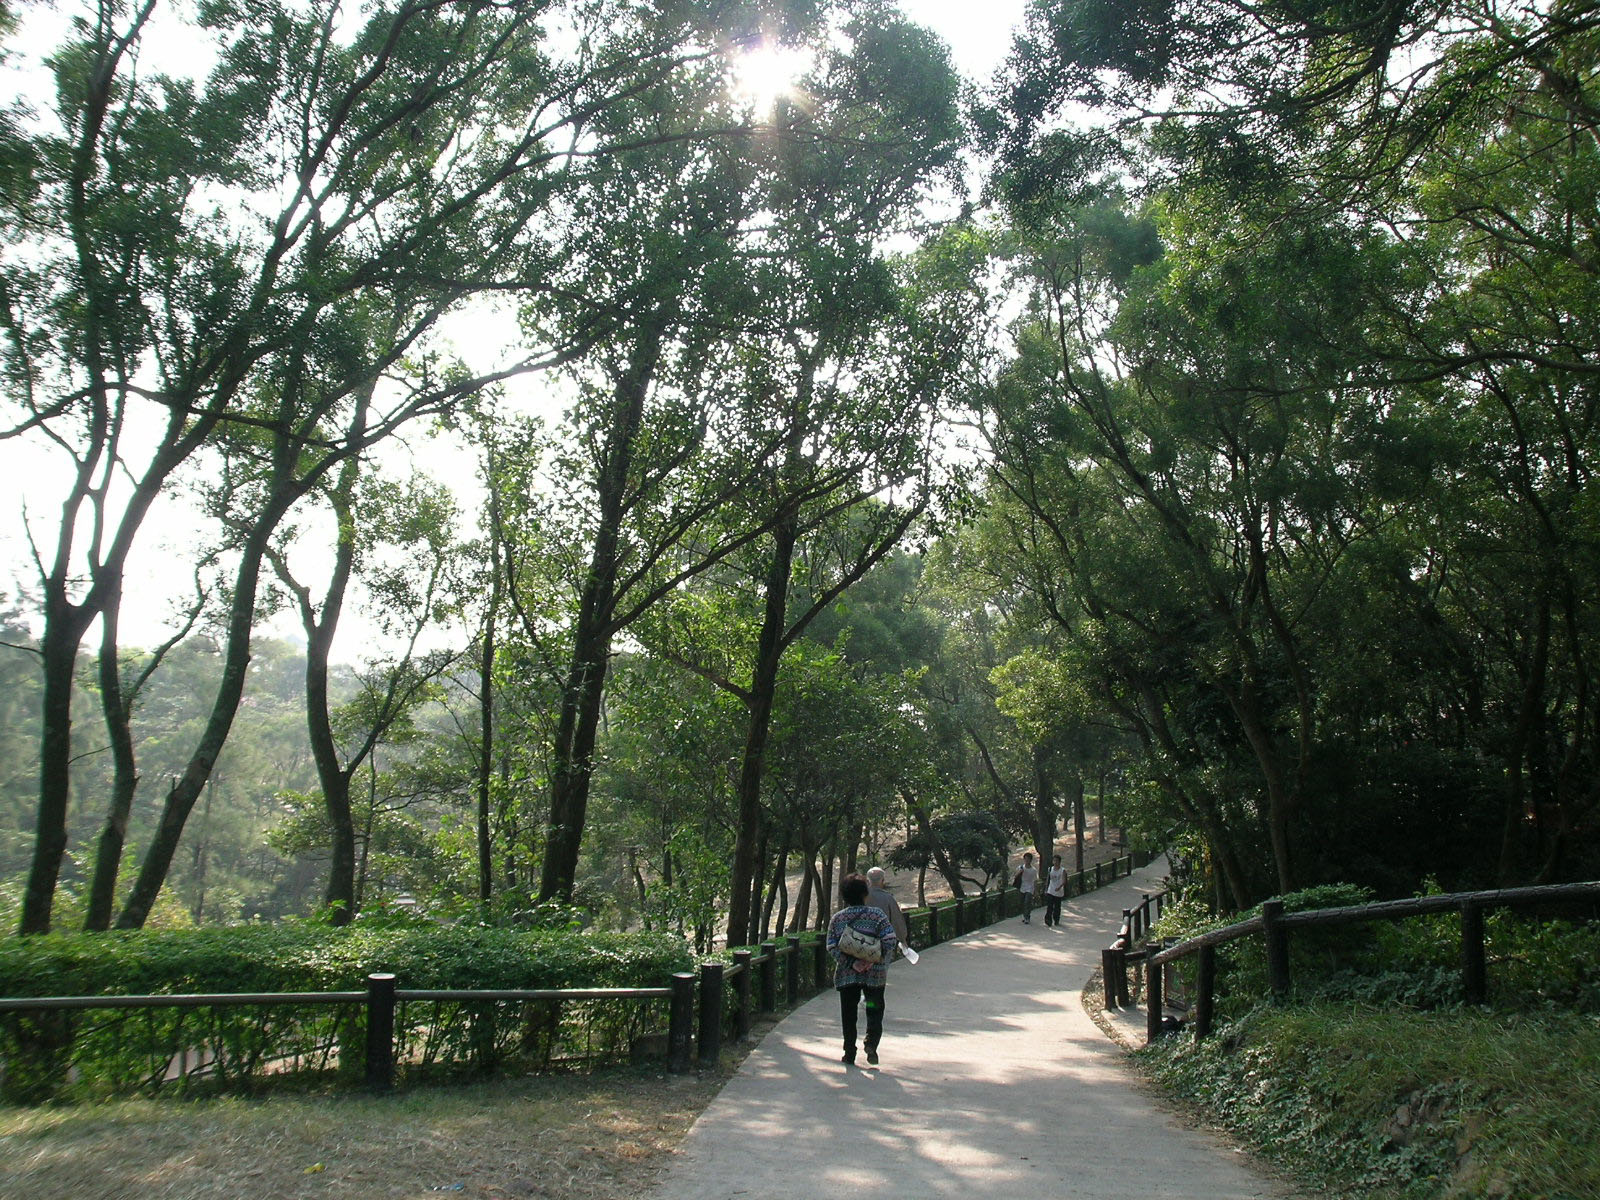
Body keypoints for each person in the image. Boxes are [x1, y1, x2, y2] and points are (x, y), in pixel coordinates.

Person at [826, 873, 898, 1066]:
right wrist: (873, 960)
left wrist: (852, 963)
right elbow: (890, 939)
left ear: (844, 896)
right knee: (874, 1008)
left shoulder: (838, 919)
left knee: (848, 1013)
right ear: (866, 894)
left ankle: (849, 1052)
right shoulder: (877, 915)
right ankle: (871, 1045)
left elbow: (831, 946)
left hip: (847, 975)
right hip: (874, 974)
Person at [865, 866, 909, 954]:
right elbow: (896, 920)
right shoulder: (888, 898)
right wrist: (902, 939)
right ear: (882, 880)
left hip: (863, 941)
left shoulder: (861, 897)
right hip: (883, 942)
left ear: (867, 880)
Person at [1013, 851, 1039, 924]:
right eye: (1026, 859)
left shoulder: (1033, 870)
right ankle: (1025, 916)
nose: (1027, 861)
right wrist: (1020, 872)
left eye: (1028, 859)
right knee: (1022, 903)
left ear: (1031, 860)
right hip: (1022, 887)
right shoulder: (1020, 867)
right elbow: (1015, 876)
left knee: (1027, 902)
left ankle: (1027, 917)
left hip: (1030, 888)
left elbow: (1035, 881)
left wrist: (1035, 891)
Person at [1043, 853, 1067, 927]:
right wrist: (1046, 889)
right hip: (1051, 890)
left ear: (1059, 862)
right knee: (1049, 905)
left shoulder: (1062, 870)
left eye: (1057, 861)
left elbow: (1064, 881)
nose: (1055, 862)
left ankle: (1056, 919)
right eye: (1054, 861)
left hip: (1058, 892)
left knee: (1057, 907)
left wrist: (1059, 887)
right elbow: (1048, 879)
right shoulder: (1050, 869)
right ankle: (1048, 920)